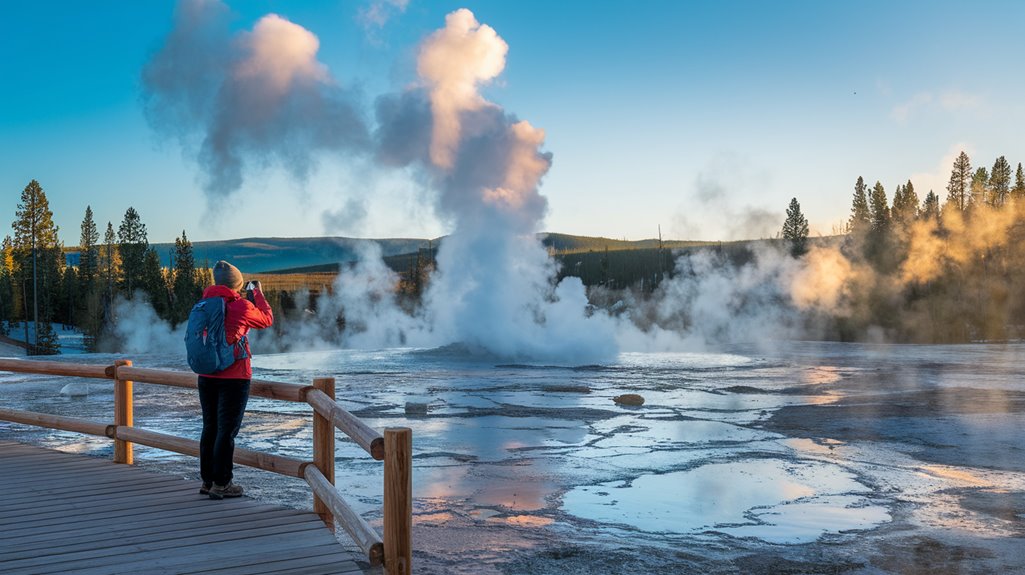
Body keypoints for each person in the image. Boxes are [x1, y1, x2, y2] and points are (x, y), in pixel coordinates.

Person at [196, 260, 273, 500]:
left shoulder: (203, 304)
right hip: (234, 376)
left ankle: (208, 481)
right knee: (226, 431)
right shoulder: (240, 306)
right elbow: (266, 319)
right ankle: (222, 483)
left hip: (206, 375)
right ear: (237, 284)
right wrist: (257, 293)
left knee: (210, 427)